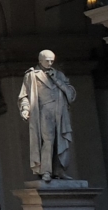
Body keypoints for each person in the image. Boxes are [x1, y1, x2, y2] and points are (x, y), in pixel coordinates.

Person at [19, 50, 77, 182]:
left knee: (61, 141)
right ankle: (46, 171)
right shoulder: (32, 76)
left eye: (52, 60)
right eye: (47, 60)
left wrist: (56, 80)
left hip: (60, 112)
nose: (50, 63)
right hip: (43, 112)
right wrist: (25, 109)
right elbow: (25, 95)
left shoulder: (59, 75)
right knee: (48, 141)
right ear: (40, 60)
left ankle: (60, 170)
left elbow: (71, 95)